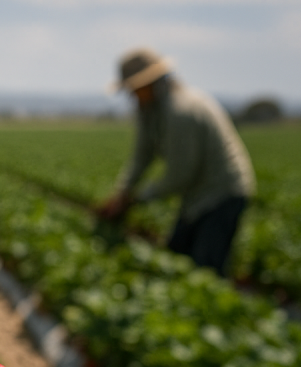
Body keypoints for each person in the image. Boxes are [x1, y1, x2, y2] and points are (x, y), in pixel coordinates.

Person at [97, 48, 255, 276]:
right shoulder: (148, 109)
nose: (131, 94)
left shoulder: (181, 110)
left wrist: (137, 199)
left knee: (204, 269)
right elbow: (142, 156)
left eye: (134, 88)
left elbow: (180, 175)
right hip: (196, 195)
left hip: (223, 192)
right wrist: (122, 193)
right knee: (176, 257)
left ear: (150, 83)